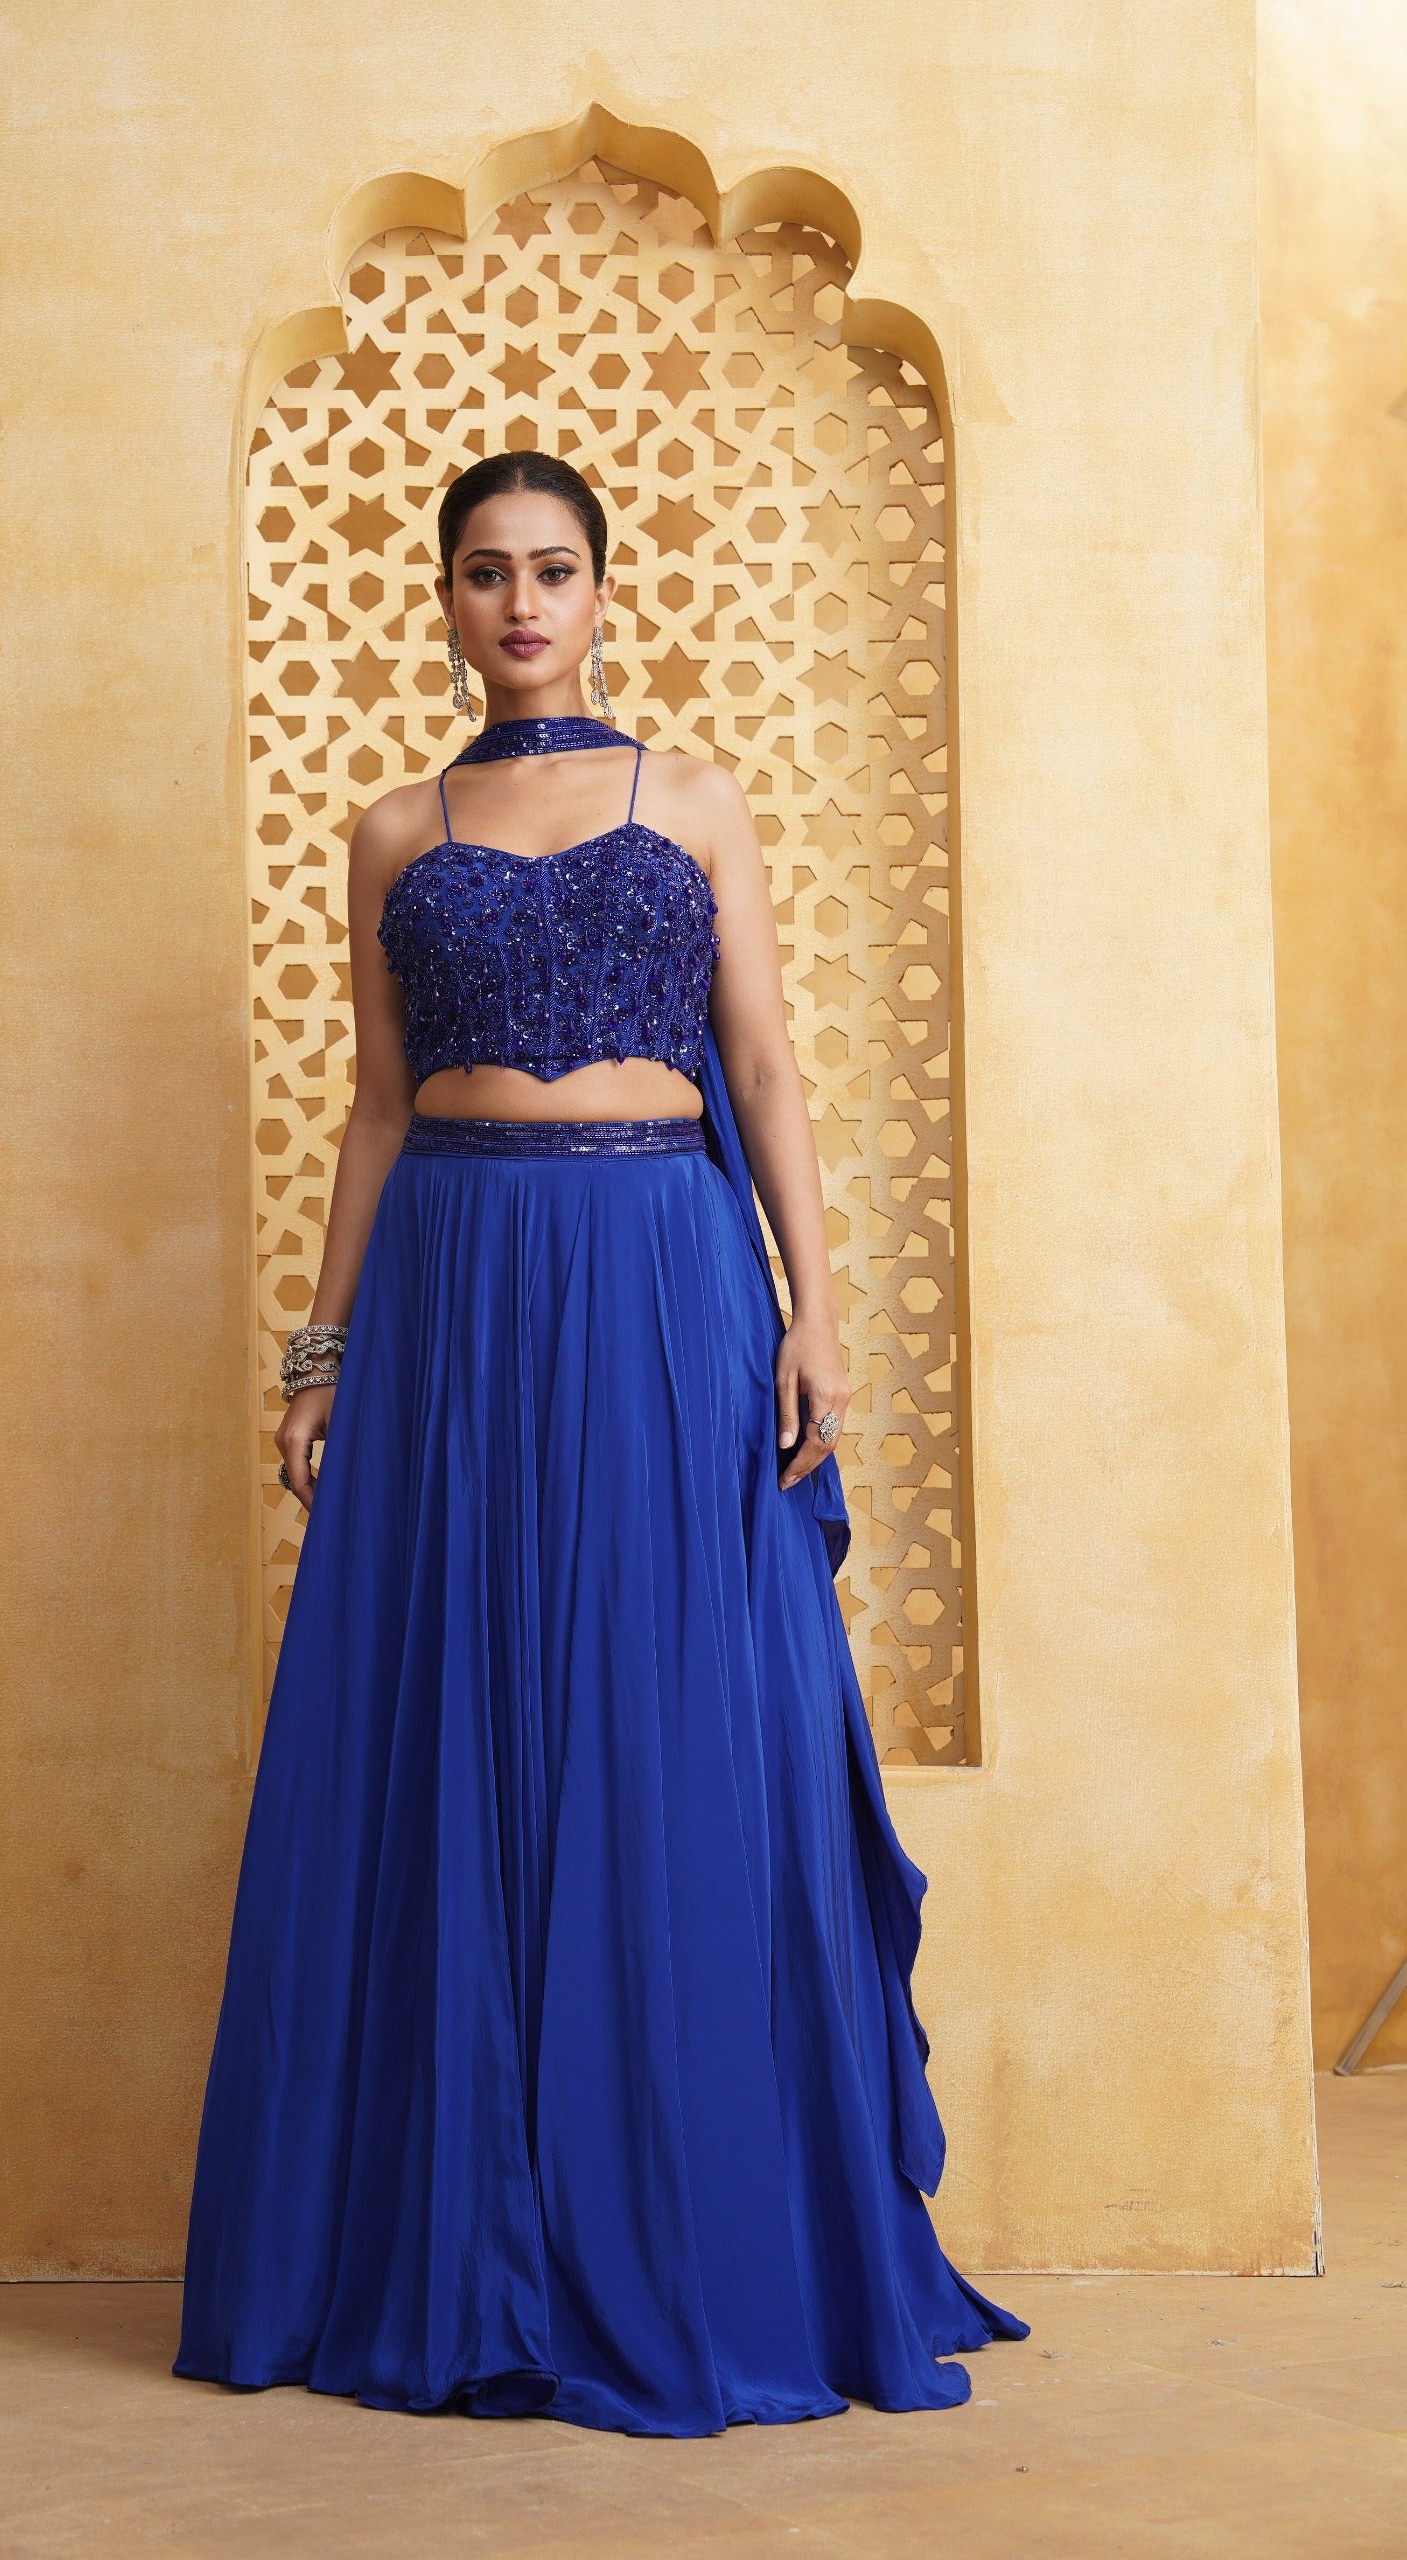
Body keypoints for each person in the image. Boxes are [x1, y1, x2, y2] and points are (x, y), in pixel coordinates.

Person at [173, 448, 1027, 2436]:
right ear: (445, 602)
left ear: (601, 591)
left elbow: (766, 1067)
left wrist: (813, 1307)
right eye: (485, 572)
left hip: (659, 1272)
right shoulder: (395, 828)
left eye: (552, 569)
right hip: (458, 1288)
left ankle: (694, 2222)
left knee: (663, 1711)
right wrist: (321, 1353)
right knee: (459, 1718)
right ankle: (463, 2242)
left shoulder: (693, 800)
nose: (520, 603)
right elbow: (376, 1103)